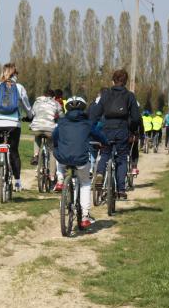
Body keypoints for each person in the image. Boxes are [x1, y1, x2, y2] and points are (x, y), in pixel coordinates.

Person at [52, 97, 106, 229]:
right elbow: (98, 135)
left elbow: (54, 136)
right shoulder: (87, 123)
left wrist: (55, 145)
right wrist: (105, 143)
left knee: (59, 154)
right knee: (85, 183)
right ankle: (85, 216)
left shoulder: (62, 122)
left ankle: (60, 179)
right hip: (81, 160)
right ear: (83, 109)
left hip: (64, 159)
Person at [89, 69, 140, 200]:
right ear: (126, 82)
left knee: (105, 154)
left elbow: (96, 112)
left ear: (113, 80)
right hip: (122, 129)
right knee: (122, 158)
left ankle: (100, 173)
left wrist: (91, 127)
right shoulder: (130, 96)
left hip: (107, 130)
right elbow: (135, 117)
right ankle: (121, 190)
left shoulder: (105, 94)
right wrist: (133, 130)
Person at [0, 63, 33, 192]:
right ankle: (17, 182)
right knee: (14, 152)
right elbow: (27, 107)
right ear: (15, 74)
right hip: (13, 124)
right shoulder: (20, 87)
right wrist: (30, 116)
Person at [29, 88, 62, 176]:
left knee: (37, 135)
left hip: (37, 127)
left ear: (43, 95)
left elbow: (32, 113)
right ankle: (51, 176)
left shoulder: (37, 101)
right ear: (53, 96)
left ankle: (36, 155)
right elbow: (62, 115)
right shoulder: (56, 103)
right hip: (50, 129)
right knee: (52, 151)